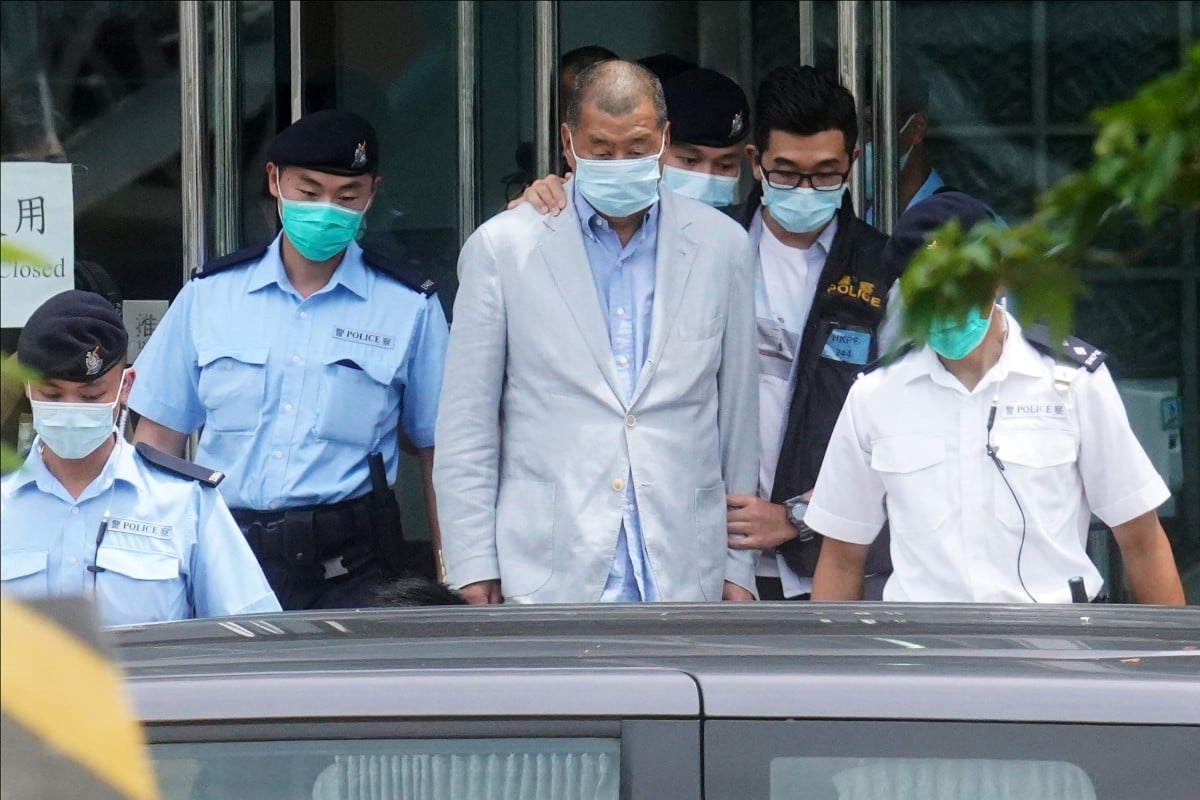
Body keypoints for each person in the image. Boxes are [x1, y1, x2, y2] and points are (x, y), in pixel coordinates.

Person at [435, 59, 758, 605]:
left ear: (664, 137)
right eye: (601, 150)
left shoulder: (721, 245)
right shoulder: (504, 247)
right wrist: (470, 566)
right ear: (569, 143)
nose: (619, 163)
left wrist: (738, 570)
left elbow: (737, 421)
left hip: (684, 569)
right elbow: (467, 423)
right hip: (549, 570)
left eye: (636, 149)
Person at [129, 110, 449, 610]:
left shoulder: (409, 306)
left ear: (372, 193)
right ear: (274, 181)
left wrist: (453, 571)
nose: (327, 209)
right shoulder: (210, 295)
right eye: (309, 191)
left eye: (347, 197)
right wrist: (151, 568)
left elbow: (440, 452)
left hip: (353, 572)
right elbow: (157, 441)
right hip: (224, 559)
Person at [808, 192, 1186, 604]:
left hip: (1057, 648)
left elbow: (1142, 540)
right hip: (925, 653)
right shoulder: (875, 396)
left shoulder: (1072, 382)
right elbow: (842, 556)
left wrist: (1174, 662)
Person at [1, 290, 280, 626]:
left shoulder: (185, 503)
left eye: (90, 396)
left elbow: (254, 636)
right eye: (52, 395)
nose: (72, 409)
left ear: (126, 387)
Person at [722, 65, 895, 601]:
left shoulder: (885, 270)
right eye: (787, 172)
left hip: (837, 572)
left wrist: (798, 517)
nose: (805, 190)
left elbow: (904, 433)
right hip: (710, 569)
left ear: (852, 165)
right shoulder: (706, 249)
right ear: (755, 162)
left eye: (825, 174)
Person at [513, 66, 751, 213]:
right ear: (663, 144)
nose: (705, 179)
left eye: (725, 165)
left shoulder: (744, 235)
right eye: (689, 160)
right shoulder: (571, 211)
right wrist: (542, 202)